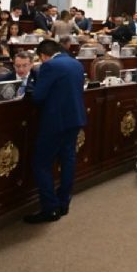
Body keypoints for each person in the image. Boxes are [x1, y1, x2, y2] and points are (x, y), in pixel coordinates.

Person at [24, 40, 87, 223]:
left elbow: (38, 96)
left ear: (44, 55)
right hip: (75, 118)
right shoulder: (76, 63)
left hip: (55, 121)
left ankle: (50, 208)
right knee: (68, 160)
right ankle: (63, 202)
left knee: (41, 163)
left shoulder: (50, 66)